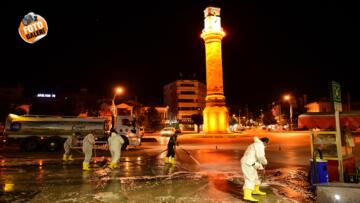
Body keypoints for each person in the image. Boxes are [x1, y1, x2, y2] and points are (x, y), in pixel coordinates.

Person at [241, 137, 269, 202]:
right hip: (248, 163)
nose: (266, 145)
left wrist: (260, 166)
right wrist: (265, 162)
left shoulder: (254, 145)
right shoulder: (259, 145)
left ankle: (255, 190)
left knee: (256, 178)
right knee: (250, 178)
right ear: (265, 142)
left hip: (251, 163)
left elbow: (255, 157)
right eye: (267, 144)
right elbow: (260, 157)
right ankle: (247, 196)